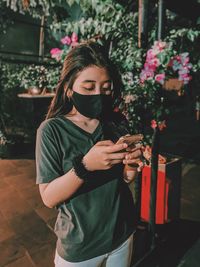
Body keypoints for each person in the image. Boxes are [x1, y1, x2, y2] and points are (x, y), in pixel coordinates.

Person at [35, 41, 143, 267]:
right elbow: (48, 197)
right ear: (68, 88)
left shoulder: (115, 122)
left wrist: (131, 165)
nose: (98, 94)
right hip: (80, 246)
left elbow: (124, 180)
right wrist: (84, 166)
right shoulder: (51, 130)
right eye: (88, 86)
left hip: (122, 235)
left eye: (105, 88)